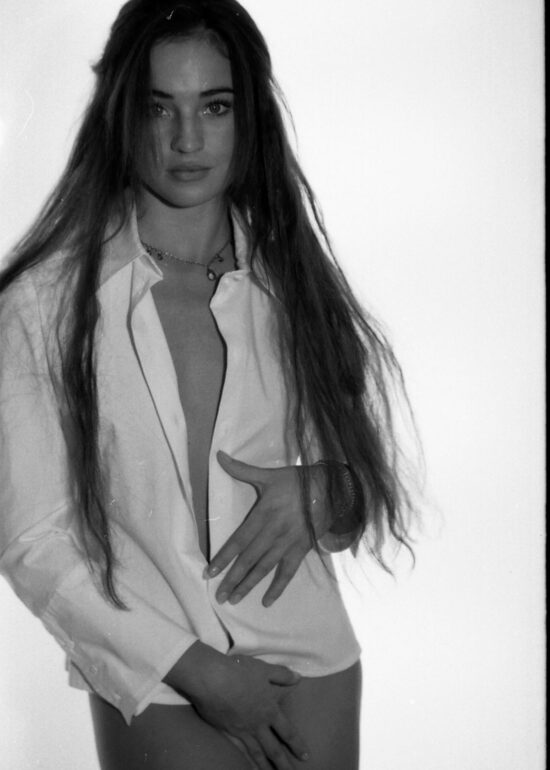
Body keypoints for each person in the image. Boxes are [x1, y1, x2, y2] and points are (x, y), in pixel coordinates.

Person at [0, 1, 419, 768]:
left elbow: (362, 493)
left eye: (214, 107)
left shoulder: (295, 284)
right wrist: (197, 670)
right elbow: (32, 541)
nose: (186, 140)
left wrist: (325, 490)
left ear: (247, 116)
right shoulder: (43, 306)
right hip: (159, 677)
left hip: (310, 668)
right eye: (159, 107)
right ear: (120, 116)